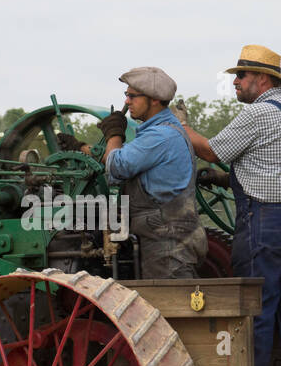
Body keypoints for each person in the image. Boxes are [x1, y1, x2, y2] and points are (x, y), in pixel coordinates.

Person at [180, 45, 281, 366]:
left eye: (240, 76)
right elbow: (280, 169)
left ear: (262, 80)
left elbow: (210, 151)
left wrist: (179, 128)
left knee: (256, 307)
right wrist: (229, 180)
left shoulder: (258, 115)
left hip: (266, 222)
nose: (235, 82)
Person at [59, 67, 206, 278]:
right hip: (167, 238)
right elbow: (128, 158)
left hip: (167, 244)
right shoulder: (162, 131)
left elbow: (117, 165)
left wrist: (114, 134)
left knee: (170, 305)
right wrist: (81, 148)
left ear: (154, 99)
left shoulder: (160, 136)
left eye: (132, 96)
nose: (127, 101)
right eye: (126, 96)